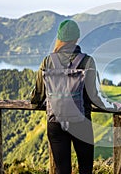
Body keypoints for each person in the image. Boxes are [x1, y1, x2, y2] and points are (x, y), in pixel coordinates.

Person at [30, 19, 107, 174]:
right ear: (77, 38)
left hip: (55, 122)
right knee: (85, 169)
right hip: (81, 121)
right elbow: (93, 96)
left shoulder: (47, 61)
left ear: (59, 38)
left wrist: (35, 104)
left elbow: (38, 95)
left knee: (62, 170)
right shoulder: (87, 61)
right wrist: (107, 106)